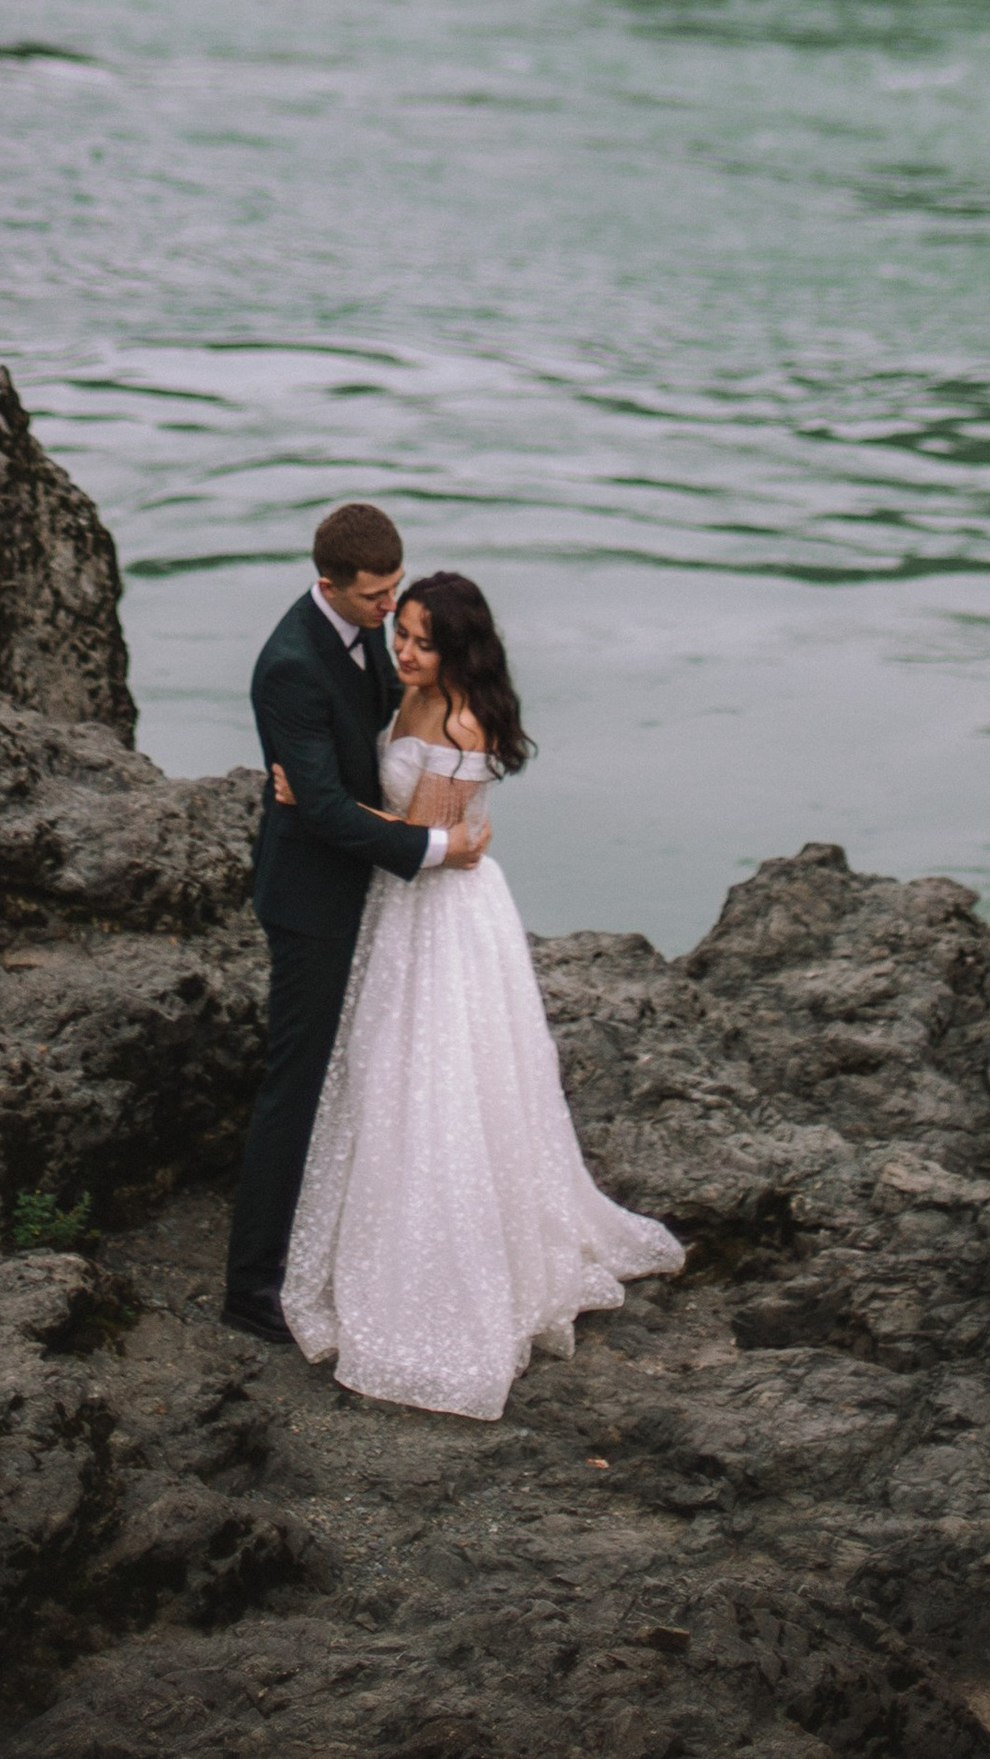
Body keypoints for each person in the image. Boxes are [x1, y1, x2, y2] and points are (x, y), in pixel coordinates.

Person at [275, 567, 684, 1422]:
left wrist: (313, 803)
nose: (406, 650)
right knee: (393, 1069)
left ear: (458, 646)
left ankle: (441, 1265)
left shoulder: (462, 721)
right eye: (402, 633)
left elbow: (427, 837)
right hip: (412, 892)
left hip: (439, 907)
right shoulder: (414, 689)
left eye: (424, 639)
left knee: (429, 1074)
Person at [222, 501, 485, 1343]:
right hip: (311, 899)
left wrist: (336, 788)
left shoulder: (367, 628)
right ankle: (251, 1285)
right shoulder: (290, 664)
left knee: (358, 1072)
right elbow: (331, 812)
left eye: (396, 589)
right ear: (330, 582)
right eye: (376, 595)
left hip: (361, 887)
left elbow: (363, 748)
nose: (390, 609)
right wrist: (437, 843)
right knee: (293, 1087)